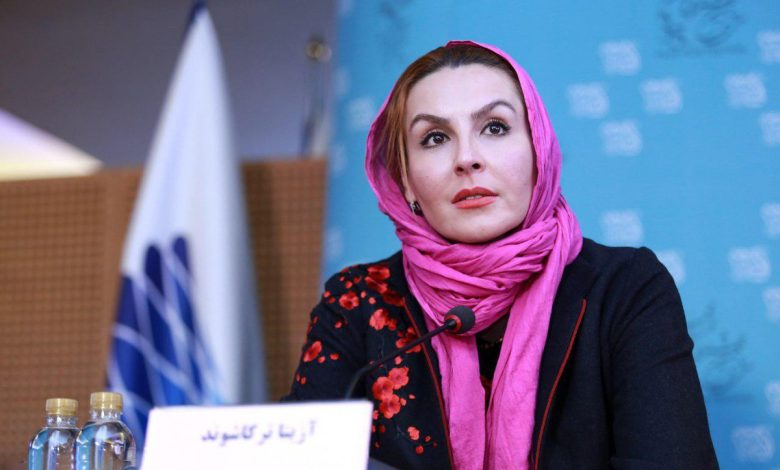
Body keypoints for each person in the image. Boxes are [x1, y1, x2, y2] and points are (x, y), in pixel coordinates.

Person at [283, 41, 718, 470]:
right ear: (407, 181)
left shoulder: (625, 288)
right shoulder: (358, 301)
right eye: (435, 138)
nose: (467, 159)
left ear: (538, 150)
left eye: (494, 128)